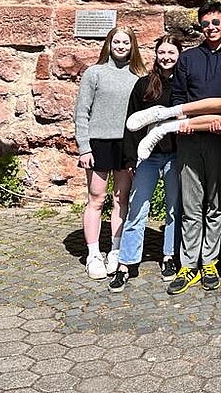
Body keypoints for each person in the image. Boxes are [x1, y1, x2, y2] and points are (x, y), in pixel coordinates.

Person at [165, 1, 221, 296]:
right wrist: (181, 120)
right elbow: (178, 96)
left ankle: (209, 261)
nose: (211, 28)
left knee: (215, 203)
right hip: (190, 138)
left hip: (220, 139)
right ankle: (189, 264)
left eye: (216, 22)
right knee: (190, 204)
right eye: (206, 24)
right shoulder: (188, 58)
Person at [109, 35, 183, 292]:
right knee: (137, 207)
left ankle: (169, 255)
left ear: (179, 55)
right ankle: (126, 263)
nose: (166, 57)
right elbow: (131, 122)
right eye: (162, 52)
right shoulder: (144, 84)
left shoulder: (183, 85)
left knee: (174, 208)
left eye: (171, 53)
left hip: (175, 155)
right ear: (156, 54)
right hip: (147, 157)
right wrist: (131, 159)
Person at [73, 26, 147, 280]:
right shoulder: (94, 73)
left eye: (126, 42)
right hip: (99, 144)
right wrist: (84, 147)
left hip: (126, 144)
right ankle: (93, 254)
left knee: (121, 199)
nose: (121, 46)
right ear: (109, 44)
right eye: (117, 42)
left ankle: (116, 250)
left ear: (132, 46)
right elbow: (82, 112)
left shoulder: (139, 76)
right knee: (96, 198)